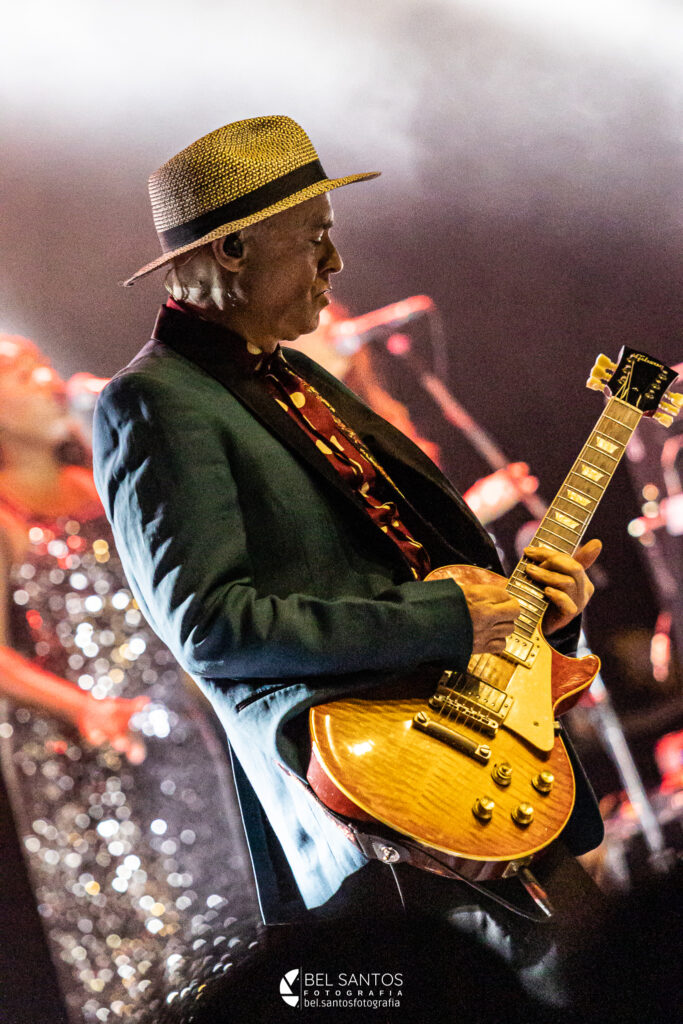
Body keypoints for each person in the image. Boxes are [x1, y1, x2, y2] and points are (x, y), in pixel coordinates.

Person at [93, 115, 605, 1017]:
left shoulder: (299, 379)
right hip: (373, 802)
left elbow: (415, 564)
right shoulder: (152, 400)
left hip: (466, 764)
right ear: (234, 249)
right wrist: (447, 619)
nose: (335, 263)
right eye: (315, 239)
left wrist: (535, 618)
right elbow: (211, 625)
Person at [0, 335, 258, 1023]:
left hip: (177, 725)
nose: (46, 376)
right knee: (146, 930)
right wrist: (84, 708)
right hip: (87, 759)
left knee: (226, 906)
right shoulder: (4, 515)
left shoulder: (94, 481)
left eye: (42, 363)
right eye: (19, 372)